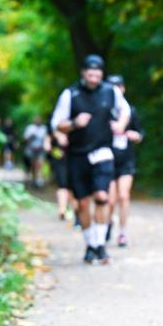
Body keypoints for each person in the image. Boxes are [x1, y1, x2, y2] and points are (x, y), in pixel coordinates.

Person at [51, 54, 131, 264]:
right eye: (90, 72)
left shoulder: (110, 91)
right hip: (78, 155)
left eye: (98, 72)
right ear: (83, 73)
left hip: (103, 151)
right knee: (84, 203)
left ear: (101, 74)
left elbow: (125, 111)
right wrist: (74, 123)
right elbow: (57, 123)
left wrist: (121, 125)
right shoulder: (71, 94)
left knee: (103, 197)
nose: (94, 76)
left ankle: (100, 245)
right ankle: (90, 245)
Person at [106, 75, 143, 247]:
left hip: (126, 159)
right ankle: (107, 223)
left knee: (123, 195)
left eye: (118, 86)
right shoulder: (103, 109)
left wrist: (134, 135)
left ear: (123, 88)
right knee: (110, 200)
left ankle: (122, 233)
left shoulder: (130, 111)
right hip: (107, 159)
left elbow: (140, 133)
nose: (114, 90)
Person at [46, 118, 72, 220]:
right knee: (62, 184)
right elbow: (48, 142)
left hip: (73, 157)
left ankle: (70, 209)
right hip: (59, 158)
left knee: (71, 186)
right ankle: (62, 209)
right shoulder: (54, 125)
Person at [22, 115, 48, 188]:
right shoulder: (30, 128)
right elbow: (25, 139)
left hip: (41, 149)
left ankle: (38, 179)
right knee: (33, 165)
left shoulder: (44, 128)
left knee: (40, 164)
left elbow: (46, 138)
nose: (37, 121)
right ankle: (34, 179)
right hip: (32, 149)